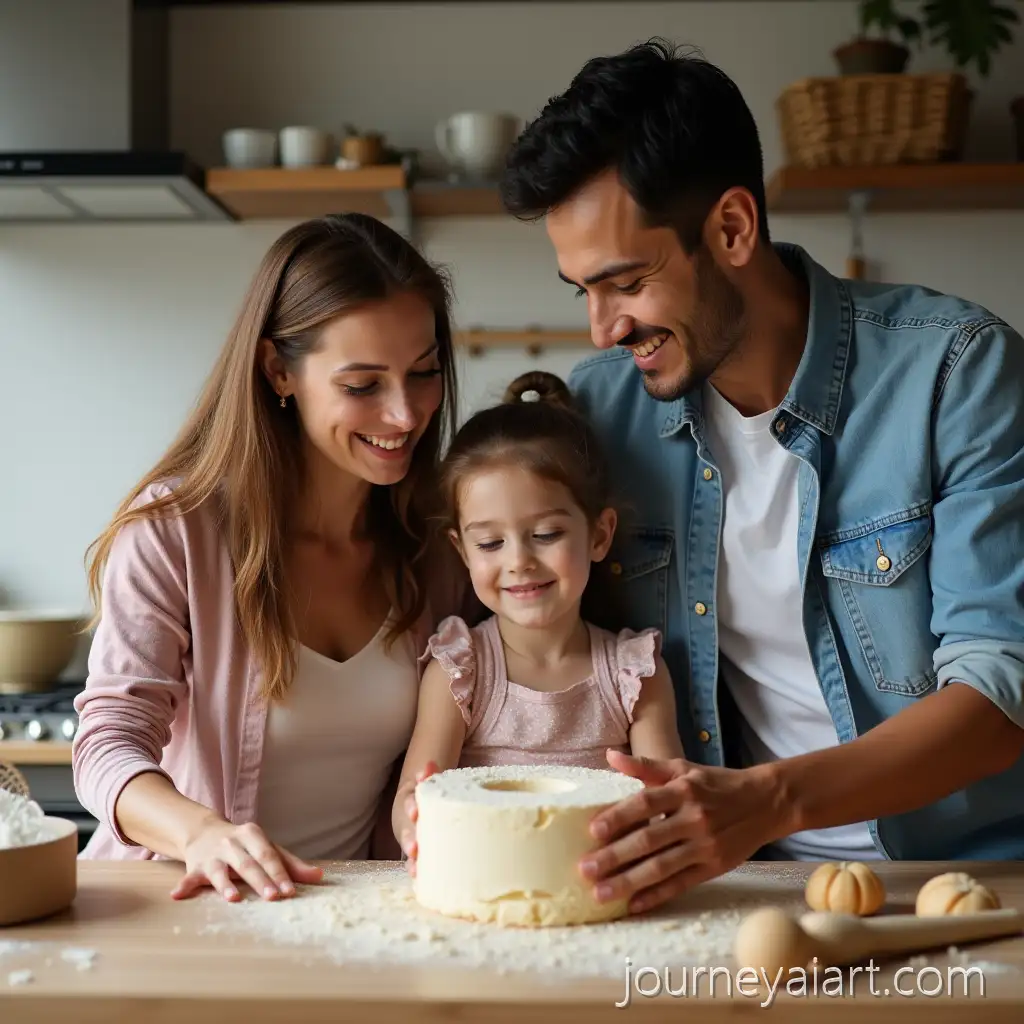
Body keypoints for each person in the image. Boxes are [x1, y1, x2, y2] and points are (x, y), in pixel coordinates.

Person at [499, 39, 1024, 914]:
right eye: (580, 291)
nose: (601, 328)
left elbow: (1000, 692)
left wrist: (765, 800)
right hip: (740, 886)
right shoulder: (597, 422)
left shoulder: (958, 374)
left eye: (625, 282)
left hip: (972, 880)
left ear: (733, 229)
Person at [72, 212, 462, 903]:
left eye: (424, 372)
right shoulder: (176, 532)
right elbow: (107, 746)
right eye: (363, 385)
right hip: (183, 914)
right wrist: (200, 833)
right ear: (279, 370)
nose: (405, 414)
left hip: (361, 917)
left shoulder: (438, 547)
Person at [393, 371, 684, 864]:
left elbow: (667, 801)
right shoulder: (461, 669)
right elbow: (411, 801)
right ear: (462, 552)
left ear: (598, 534)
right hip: (483, 889)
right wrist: (417, 827)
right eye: (490, 543)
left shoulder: (635, 673)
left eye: (546, 534)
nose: (519, 561)